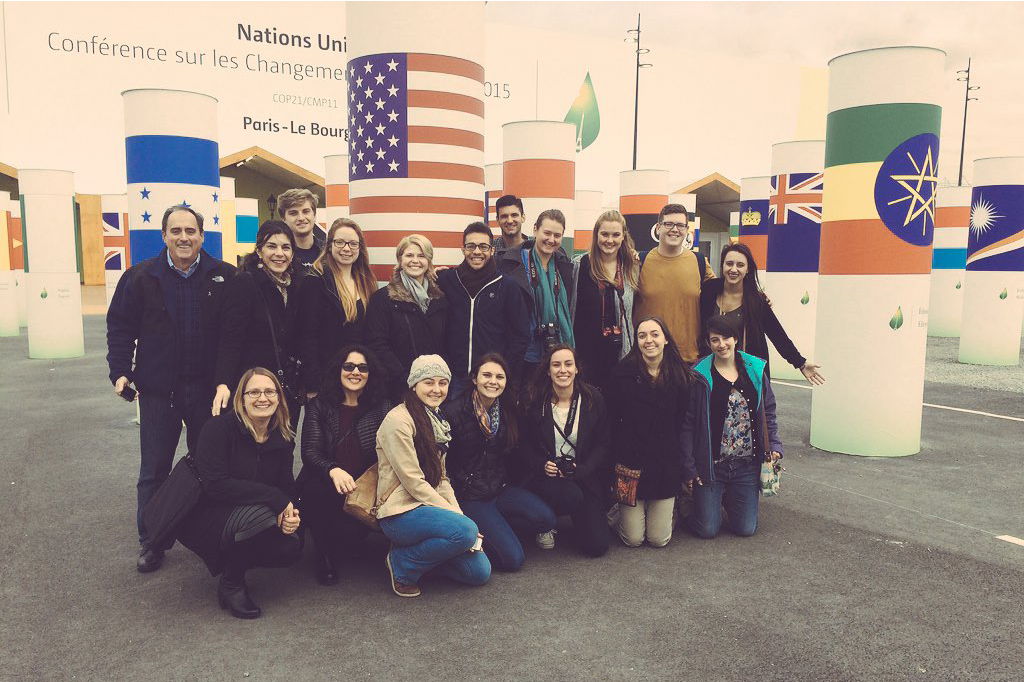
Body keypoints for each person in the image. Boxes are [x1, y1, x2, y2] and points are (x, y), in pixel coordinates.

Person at [106, 204, 236, 573]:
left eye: (190, 231)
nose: (184, 237)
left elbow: (231, 336)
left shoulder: (222, 276)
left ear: (202, 236)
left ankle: (210, 534)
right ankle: (152, 540)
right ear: (163, 236)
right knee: (154, 470)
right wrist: (120, 371)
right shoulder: (140, 277)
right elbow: (119, 328)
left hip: (209, 393)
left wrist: (225, 380)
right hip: (160, 392)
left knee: (210, 466)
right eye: (175, 231)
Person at [176, 368, 302, 619]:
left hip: (250, 511)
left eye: (269, 391)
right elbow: (215, 485)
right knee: (262, 516)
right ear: (241, 398)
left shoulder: (282, 436)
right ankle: (232, 584)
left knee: (291, 546)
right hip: (206, 515)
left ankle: (235, 561)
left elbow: (285, 486)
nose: (262, 398)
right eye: (253, 392)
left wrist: (291, 514)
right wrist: (274, 499)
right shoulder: (218, 429)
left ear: (279, 397)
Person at [375, 355, 491, 597]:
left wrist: (458, 515)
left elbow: (443, 479)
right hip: (399, 513)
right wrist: (462, 525)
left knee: (479, 572)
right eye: (429, 382)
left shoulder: (437, 419)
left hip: (429, 509)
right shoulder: (398, 421)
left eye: (442, 382)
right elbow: (413, 482)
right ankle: (402, 563)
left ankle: (423, 557)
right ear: (414, 385)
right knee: (465, 532)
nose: (437, 389)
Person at [442, 353, 557, 571]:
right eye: (486, 375)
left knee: (546, 519)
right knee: (512, 560)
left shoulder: (506, 410)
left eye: (499, 377)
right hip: (470, 497)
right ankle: (476, 533)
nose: (493, 381)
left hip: (498, 489)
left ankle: (496, 527)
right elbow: (445, 462)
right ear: (474, 378)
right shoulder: (454, 411)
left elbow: (515, 452)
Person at [297, 345, 390, 585]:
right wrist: (333, 469)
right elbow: (309, 451)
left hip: (363, 486)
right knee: (314, 489)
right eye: (349, 366)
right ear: (339, 371)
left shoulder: (381, 407)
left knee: (351, 544)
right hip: (327, 481)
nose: (355, 372)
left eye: (362, 367)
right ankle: (323, 555)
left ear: (370, 374)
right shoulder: (320, 405)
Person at [684, 315, 783, 539]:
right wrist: (689, 467)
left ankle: (728, 497)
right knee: (707, 530)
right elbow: (688, 424)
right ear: (708, 344)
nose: (722, 344)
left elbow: (768, 410)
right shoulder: (699, 375)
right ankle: (693, 503)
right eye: (714, 340)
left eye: (726, 337)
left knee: (745, 528)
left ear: (736, 338)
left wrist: (774, 444)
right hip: (711, 466)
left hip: (745, 466)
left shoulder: (754, 369)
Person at [609, 318, 697, 548]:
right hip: (631, 464)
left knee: (658, 539)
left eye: (655, 334)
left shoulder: (680, 376)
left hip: (664, 465)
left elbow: (680, 423)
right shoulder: (621, 374)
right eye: (642, 335)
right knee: (633, 539)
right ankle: (618, 508)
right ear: (636, 341)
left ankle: (671, 508)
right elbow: (612, 420)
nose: (649, 340)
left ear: (666, 339)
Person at [521, 345, 610, 557]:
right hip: (547, 477)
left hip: (582, 474)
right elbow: (522, 446)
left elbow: (604, 443)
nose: (563, 370)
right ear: (548, 370)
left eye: (568, 364)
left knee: (596, 547)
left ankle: (581, 517)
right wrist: (542, 465)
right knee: (570, 495)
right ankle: (546, 522)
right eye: (556, 365)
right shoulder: (535, 401)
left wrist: (583, 469)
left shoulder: (593, 399)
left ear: (577, 368)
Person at [213, 221, 302, 419]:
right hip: (253, 387)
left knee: (283, 445)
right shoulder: (245, 283)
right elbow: (230, 339)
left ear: (293, 254)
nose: (279, 253)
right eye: (272, 246)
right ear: (259, 252)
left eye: (286, 247)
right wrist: (223, 383)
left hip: (286, 388)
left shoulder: (296, 285)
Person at [698, 243, 825, 383]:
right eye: (729, 264)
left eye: (740, 265)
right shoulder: (709, 291)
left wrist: (800, 363)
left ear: (748, 269)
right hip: (712, 371)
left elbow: (777, 335)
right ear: (722, 267)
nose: (733, 269)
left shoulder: (756, 301)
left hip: (746, 373)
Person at [437, 222, 530, 400]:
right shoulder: (447, 281)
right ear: (463, 249)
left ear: (492, 250)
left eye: (483, 246)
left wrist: (503, 368)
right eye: (471, 246)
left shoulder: (507, 285)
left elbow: (521, 335)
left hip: (490, 380)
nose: (477, 252)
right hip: (454, 378)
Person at [296, 218, 377, 400]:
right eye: (340, 242)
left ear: (360, 248)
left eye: (352, 243)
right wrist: (313, 385)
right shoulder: (316, 281)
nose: (346, 249)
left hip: (358, 377)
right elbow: (307, 336)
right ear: (330, 245)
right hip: (327, 379)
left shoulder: (366, 282)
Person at [364, 234, 448, 402]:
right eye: (409, 255)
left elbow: (446, 340)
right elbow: (377, 344)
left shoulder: (440, 298)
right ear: (400, 259)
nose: (415, 261)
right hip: (398, 388)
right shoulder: (383, 299)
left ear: (429, 261)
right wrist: (407, 379)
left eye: (421, 256)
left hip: (435, 389)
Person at [498, 209, 575, 379]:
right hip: (524, 355)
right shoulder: (512, 263)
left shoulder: (564, 266)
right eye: (547, 233)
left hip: (556, 353)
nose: (551, 240)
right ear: (535, 230)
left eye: (557, 235)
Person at [634, 203, 715, 363]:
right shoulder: (639, 262)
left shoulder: (700, 263)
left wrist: (758, 295)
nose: (674, 229)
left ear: (686, 230)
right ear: (658, 228)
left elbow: (727, 293)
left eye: (680, 225)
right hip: (647, 359)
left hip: (689, 359)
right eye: (669, 224)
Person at [570, 209, 639, 390]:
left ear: (623, 236)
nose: (610, 240)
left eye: (616, 235)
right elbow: (570, 308)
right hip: (586, 356)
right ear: (596, 235)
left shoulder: (630, 267)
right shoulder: (580, 265)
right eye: (605, 234)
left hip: (619, 354)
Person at [277, 188, 325, 274]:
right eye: (293, 213)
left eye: (306, 211)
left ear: (314, 215)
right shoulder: (278, 255)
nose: (301, 218)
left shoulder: (328, 252)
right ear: (283, 219)